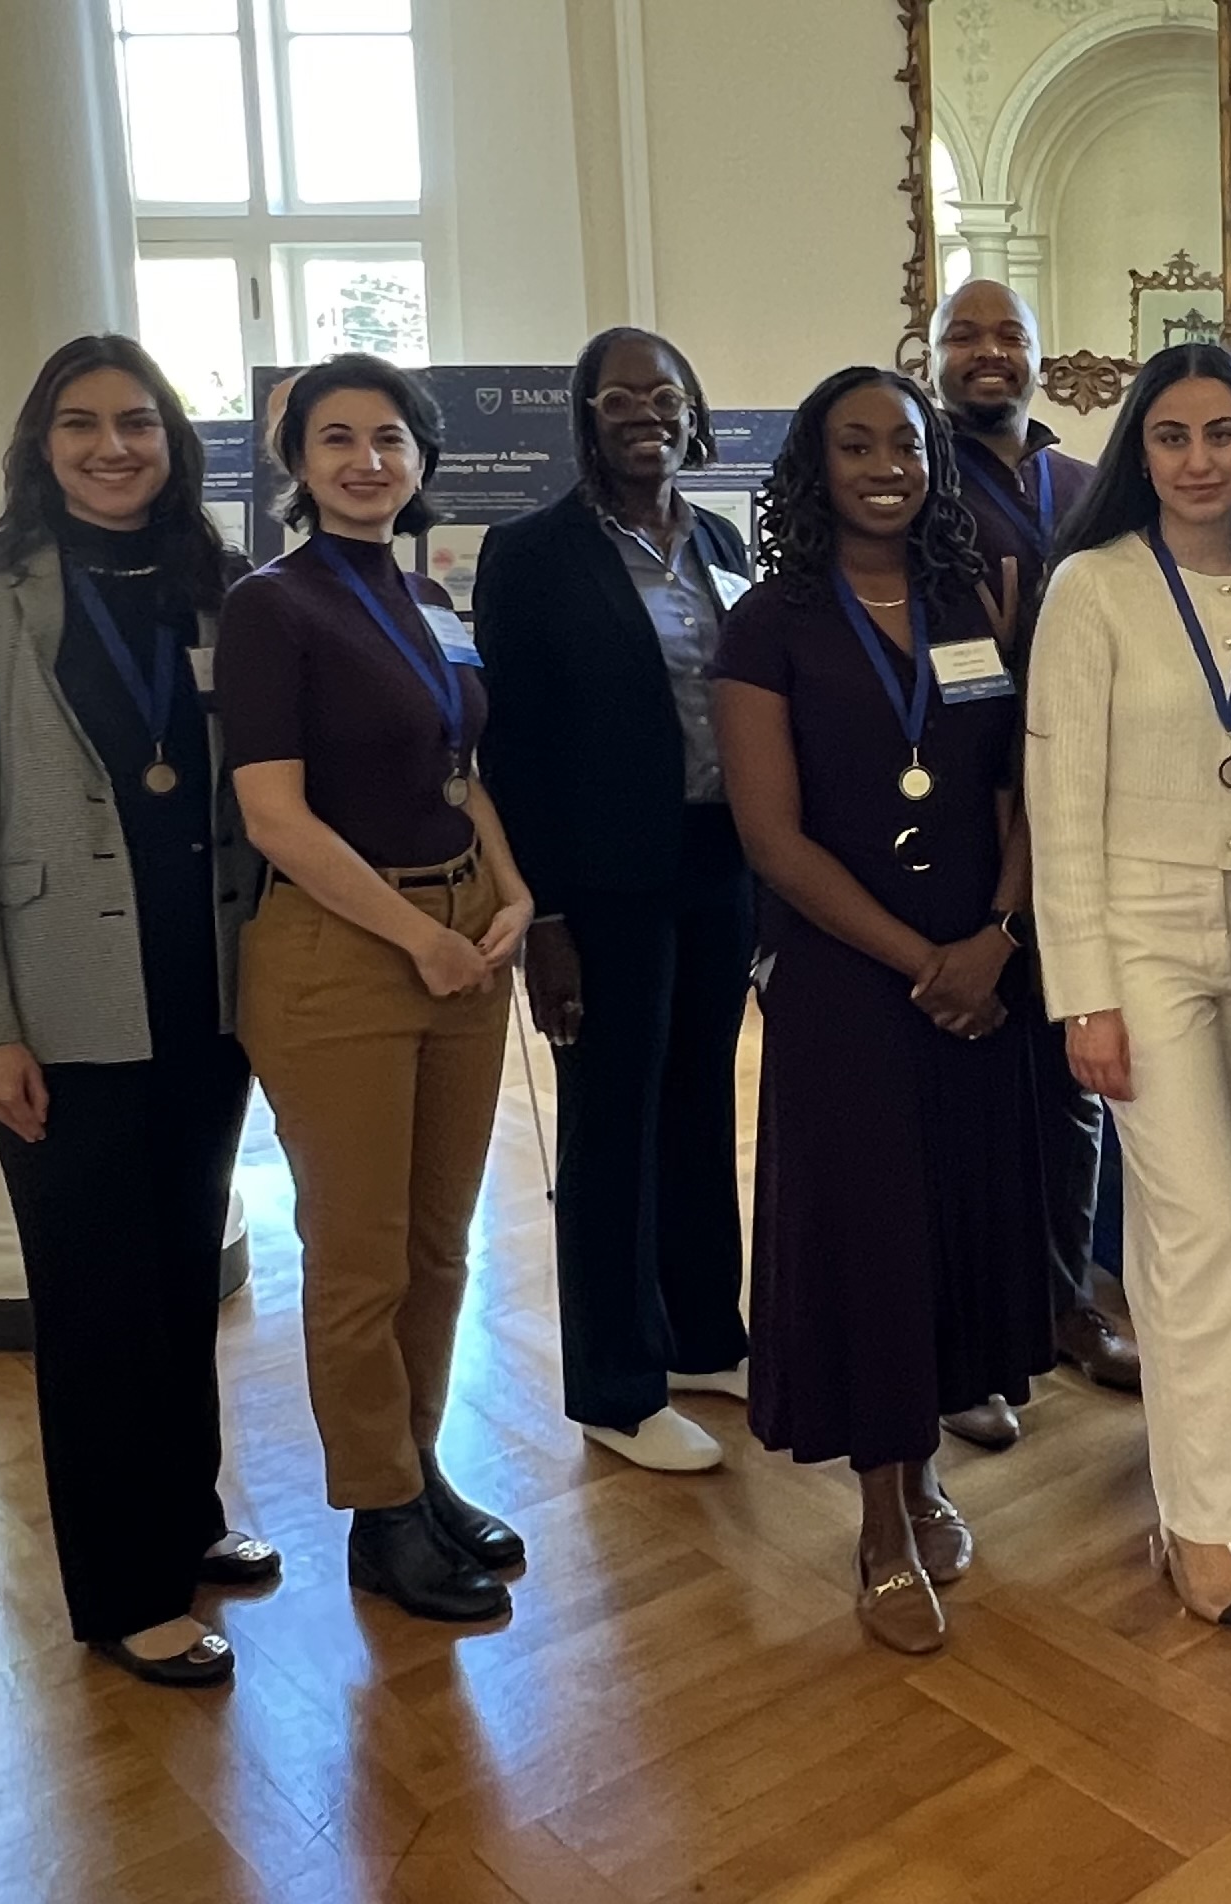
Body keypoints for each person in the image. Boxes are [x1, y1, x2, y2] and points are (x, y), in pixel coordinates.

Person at [0, 335, 274, 1687]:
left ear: (174, 442)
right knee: (96, 1294)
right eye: (81, 423)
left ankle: (185, 1514)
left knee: (182, 1268)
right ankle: (125, 1590)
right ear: (41, 444)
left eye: (137, 422)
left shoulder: (215, 584)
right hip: (58, 1002)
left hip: (205, 988)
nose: (111, 447)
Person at [707, 367, 1049, 1654]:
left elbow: (1015, 786)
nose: (883, 466)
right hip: (851, 982)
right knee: (870, 1238)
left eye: (902, 443)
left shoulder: (970, 600)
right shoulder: (767, 623)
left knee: (952, 1217)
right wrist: (927, 960)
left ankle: (928, 1470)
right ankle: (878, 1518)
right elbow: (772, 839)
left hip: (979, 965)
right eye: (853, 446)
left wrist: (997, 936)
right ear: (815, 466)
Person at [216, 353, 533, 1624]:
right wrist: (419, 935)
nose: (366, 460)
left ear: (420, 459)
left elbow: (461, 771)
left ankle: (418, 1465)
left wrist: (511, 892)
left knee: (439, 1242)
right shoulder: (270, 606)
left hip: (462, 934)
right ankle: (377, 1508)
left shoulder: (427, 597)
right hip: (341, 950)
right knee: (358, 1255)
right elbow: (275, 817)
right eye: (336, 438)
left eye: (389, 438)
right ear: (297, 463)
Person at [1028, 344, 1231, 1631]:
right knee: (1193, 1221)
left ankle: (1207, 1477)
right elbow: (1059, 802)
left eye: (1220, 433)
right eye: (1170, 436)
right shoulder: (1091, 585)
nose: (1198, 459)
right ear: (1137, 452)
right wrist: (1082, 991)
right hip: (1140, 938)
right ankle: (1207, 1524)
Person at [473, 325, 752, 1475]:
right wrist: (542, 918)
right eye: (619, 397)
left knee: (699, 1101)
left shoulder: (718, 538)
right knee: (611, 1123)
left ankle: (700, 1334)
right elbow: (513, 747)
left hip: (717, 860)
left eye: (666, 395)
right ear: (584, 417)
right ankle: (617, 1386)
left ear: (694, 412)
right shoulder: (531, 553)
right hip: (599, 883)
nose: (647, 414)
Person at [931, 275, 1141, 1428]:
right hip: (956, 819)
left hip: (1086, 812)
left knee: (1070, 1084)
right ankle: (964, 1334)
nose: (988, 351)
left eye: (1008, 333)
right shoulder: (913, 479)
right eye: (962, 334)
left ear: (1038, 353)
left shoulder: (1084, 483)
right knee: (964, 1090)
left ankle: (1066, 1301)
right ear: (930, 357)